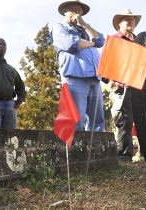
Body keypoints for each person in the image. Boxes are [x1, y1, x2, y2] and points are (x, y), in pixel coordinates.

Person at [52, 0, 105, 131]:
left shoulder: (85, 30)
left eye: (79, 10)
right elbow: (71, 44)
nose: (76, 12)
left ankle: (96, 151)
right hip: (74, 78)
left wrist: (84, 23)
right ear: (65, 12)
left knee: (97, 121)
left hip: (94, 79)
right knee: (76, 121)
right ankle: (76, 151)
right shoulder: (59, 27)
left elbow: (100, 40)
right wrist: (92, 43)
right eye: (72, 9)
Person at [109, 9, 141, 161]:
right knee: (124, 120)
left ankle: (145, 154)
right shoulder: (114, 39)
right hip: (122, 86)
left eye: (133, 19)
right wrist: (111, 80)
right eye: (126, 19)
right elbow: (106, 64)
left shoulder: (140, 40)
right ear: (118, 24)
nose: (131, 21)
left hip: (141, 86)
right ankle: (123, 155)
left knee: (143, 120)